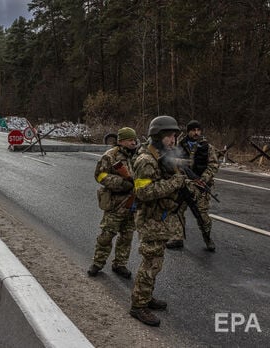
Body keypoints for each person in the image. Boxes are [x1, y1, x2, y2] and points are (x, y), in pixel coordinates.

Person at [129, 116, 186, 327]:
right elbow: (143, 192)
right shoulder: (146, 160)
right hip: (150, 221)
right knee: (150, 264)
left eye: (174, 136)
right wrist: (174, 183)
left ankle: (146, 297)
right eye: (170, 136)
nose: (173, 140)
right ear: (158, 136)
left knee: (156, 263)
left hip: (158, 220)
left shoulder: (161, 156)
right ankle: (138, 306)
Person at [88, 127, 138, 279]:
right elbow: (100, 175)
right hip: (116, 202)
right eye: (130, 140)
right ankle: (97, 263)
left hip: (132, 202)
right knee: (107, 235)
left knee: (127, 236)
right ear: (121, 141)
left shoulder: (138, 156)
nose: (133, 142)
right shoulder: (110, 156)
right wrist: (123, 182)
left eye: (134, 140)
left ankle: (120, 264)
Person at [166, 120, 219, 251]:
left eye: (198, 130)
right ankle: (177, 238)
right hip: (182, 185)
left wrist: (203, 180)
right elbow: (170, 163)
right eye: (193, 130)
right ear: (188, 131)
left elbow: (213, 165)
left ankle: (207, 239)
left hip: (200, 186)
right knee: (176, 211)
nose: (196, 133)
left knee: (202, 215)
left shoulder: (207, 147)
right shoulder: (179, 145)